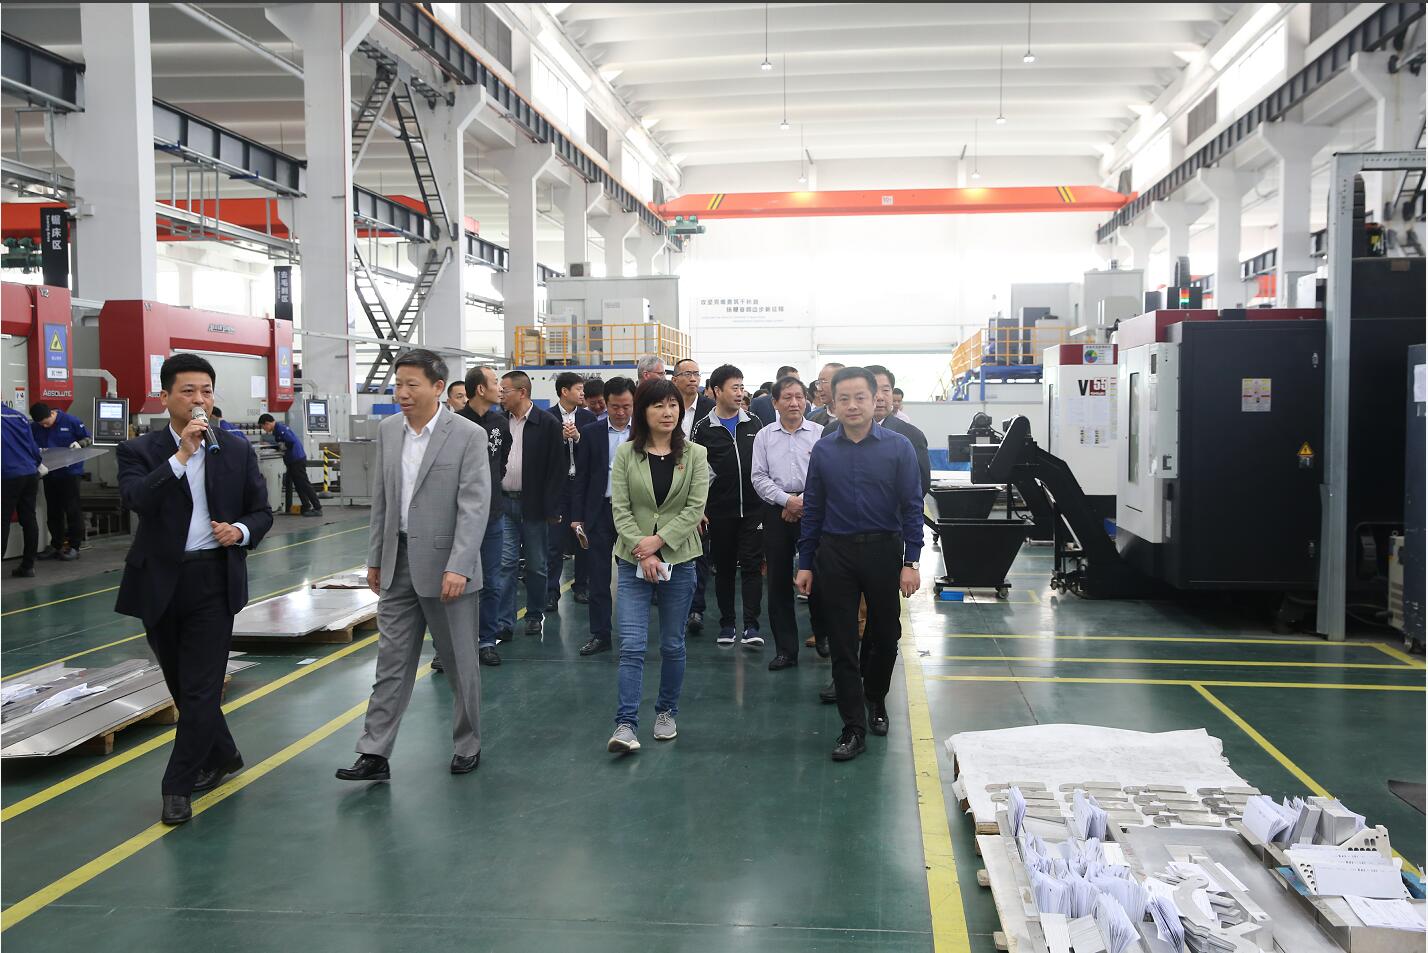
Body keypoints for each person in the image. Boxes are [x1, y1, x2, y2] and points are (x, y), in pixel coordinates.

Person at [115, 353, 273, 823]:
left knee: (202, 690)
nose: (199, 399)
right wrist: (182, 455)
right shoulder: (139, 451)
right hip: (160, 581)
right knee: (183, 687)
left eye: (206, 390)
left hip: (213, 580)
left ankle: (177, 786)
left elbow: (262, 512)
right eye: (188, 391)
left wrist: (239, 531)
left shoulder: (236, 450)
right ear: (165, 397)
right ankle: (223, 754)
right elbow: (137, 499)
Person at [338, 349, 490, 784]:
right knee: (391, 661)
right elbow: (382, 500)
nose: (402, 393)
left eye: (411, 384)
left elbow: (474, 504)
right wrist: (375, 558)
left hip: (447, 568)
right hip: (397, 561)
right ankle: (374, 751)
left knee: (459, 663)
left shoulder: (467, 434)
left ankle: (467, 743)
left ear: (437, 387)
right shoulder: (389, 431)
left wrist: (459, 565)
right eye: (398, 384)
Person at [796, 367, 922, 762]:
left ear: (875, 399)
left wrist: (911, 561)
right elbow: (813, 508)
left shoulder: (899, 447)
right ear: (832, 404)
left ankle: (876, 698)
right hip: (836, 554)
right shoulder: (824, 450)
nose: (852, 405)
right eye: (844, 399)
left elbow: (912, 506)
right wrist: (806, 561)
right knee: (843, 640)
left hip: (884, 551)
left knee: (885, 635)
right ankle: (853, 727)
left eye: (860, 397)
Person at [606, 378, 709, 754]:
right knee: (632, 645)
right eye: (658, 405)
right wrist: (644, 550)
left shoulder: (695, 454)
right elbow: (620, 508)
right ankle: (626, 725)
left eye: (673, 405)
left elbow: (694, 508)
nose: (667, 412)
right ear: (643, 411)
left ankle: (666, 712)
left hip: (679, 560)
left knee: (672, 643)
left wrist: (660, 542)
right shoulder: (626, 453)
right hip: (632, 559)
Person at [750, 376, 822, 670]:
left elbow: (825, 475)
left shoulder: (819, 434)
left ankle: (823, 634)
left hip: (813, 511)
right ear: (775, 403)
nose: (795, 403)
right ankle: (786, 651)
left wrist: (801, 501)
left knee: (819, 575)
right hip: (775, 512)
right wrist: (786, 501)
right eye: (788, 397)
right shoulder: (764, 436)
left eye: (799, 397)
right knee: (778, 583)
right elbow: (758, 476)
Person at [692, 364, 765, 647]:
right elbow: (697, 473)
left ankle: (751, 625)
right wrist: (700, 508)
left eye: (742, 387)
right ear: (716, 391)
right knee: (723, 569)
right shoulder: (703, 428)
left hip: (754, 510)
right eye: (734, 387)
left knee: (751, 566)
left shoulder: (754, 423)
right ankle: (727, 624)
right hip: (720, 512)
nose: (740, 393)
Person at [569, 377, 635, 656]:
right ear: (605, 404)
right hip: (599, 512)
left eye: (626, 406)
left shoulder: (643, 432)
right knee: (598, 577)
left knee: (633, 577)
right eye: (615, 406)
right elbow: (581, 477)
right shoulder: (591, 432)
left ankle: (633, 634)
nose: (620, 412)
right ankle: (600, 634)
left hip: (633, 514)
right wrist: (577, 517)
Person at [496, 370, 565, 637]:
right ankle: (504, 622)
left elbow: (556, 469)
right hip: (504, 504)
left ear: (522, 392)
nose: (500, 395)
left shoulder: (547, 423)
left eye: (505, 391)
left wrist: (553, 508)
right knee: (506, 564)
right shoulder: (498, 421)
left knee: (536, 565)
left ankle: (534, 614)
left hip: (534, 506)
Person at [452, 365, 511, 667]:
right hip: (458, 516)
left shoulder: (500, 423)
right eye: (495, 382)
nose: (500, 387)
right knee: (455, 579)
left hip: (492, 514)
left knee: (491, 581)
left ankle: (487, 640)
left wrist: (489, 489)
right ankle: (450, 646)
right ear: (480, 389)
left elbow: (501, 462)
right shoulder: (455, 424)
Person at [548, 371, 597, 610]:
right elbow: (542, 453)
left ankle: (582, 587)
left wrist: (578, 437)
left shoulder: (588, 418)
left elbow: (594, 452)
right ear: (564, 391)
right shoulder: (548, 418)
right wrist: (559, 438)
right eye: (578, 389)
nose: (582, 393)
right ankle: (551, 592)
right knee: (554, 543)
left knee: (583, 539)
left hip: (582, 487)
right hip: (558, 488)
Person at [672, 358, 715, 632]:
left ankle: (695, 609)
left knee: (699, 549)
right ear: (674, 379)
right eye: (687, 373)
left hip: (703, 488)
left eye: (696, 374)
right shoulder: (667, 405)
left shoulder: (711, 410)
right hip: (668, 488)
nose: (692, 378)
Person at [30, 402, 91, 560]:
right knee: (53, 510)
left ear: (52, 414)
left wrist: (80, 444)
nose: (44, 426)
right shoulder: (35, 427)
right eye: (41, 425)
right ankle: (56, 545)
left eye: (46, 423)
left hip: (70, 473)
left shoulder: (71, 421)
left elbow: (88, 438)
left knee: (72, 510)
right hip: (49, 472)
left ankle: (74, 546)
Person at [2, 403, 45, 578]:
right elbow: (33, 448)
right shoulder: (19, 416)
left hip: (6, 475)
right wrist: (37, 464)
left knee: (2, 521)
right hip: (29, 473)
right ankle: (28, 566)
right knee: (28, 519)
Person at [258, 413, 322, 517]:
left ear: (267, 423)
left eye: (263, 426)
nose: (264, 429)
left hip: (296, 460)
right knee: (298, 485)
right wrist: (272, 446)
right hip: (293, 460)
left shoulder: (280, 429)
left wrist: (278, 446)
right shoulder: (278, 429)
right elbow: (283, 444)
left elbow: (290, 442)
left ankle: (317, 507)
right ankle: (306, 506)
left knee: (304, 484)